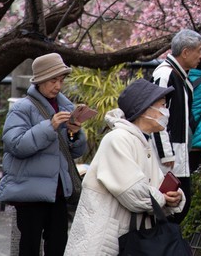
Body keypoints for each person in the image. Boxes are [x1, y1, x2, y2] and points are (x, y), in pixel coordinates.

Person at [64, 79, 186, 255]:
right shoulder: (117, 140)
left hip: (130, 238)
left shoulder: (144, 141)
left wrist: (175, 197)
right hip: (108, 239)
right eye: (162, 106)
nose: (166, 112)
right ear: (145, 110)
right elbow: (133, 193)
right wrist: (163, 198)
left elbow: (156, 187)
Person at [0, 53, 88, 256]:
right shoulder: (22, 108)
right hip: (30, 193)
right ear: (39, 81)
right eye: (53, 80)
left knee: (58, 245)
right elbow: (15, 144)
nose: (58, 86)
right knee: (29, 247)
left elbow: (76, 152)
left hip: (58, 191)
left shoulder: (65, 106)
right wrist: (50, 126)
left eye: (61, 80)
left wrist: (74, 132)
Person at [152, 28, 201, 223]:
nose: (200, 56)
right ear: (186, 52)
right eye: (198, 50)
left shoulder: (179, 75)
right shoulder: (165, 74)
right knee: (172, 209)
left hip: (177, 153)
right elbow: (156, 116)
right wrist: (165, 154)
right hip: (169, 156)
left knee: (181, 206)